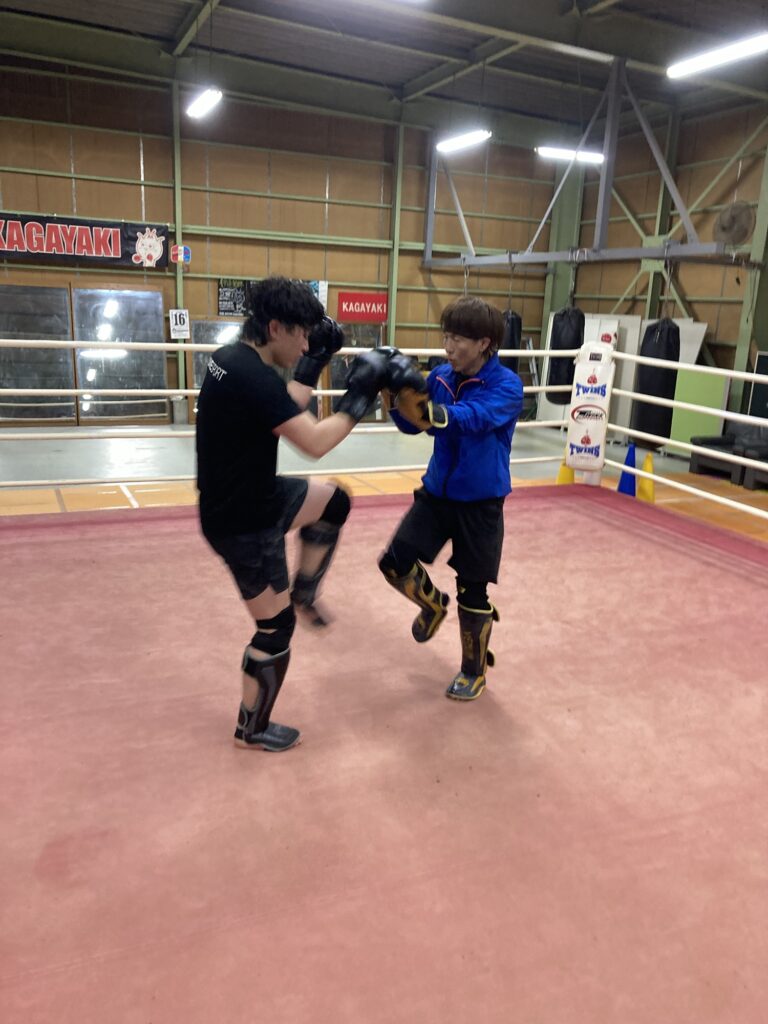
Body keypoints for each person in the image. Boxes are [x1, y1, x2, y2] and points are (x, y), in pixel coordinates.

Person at [196, 276, 390, 752]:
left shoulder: (234, 358)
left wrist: (315, 360)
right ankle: (251, 729)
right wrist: (361, 395)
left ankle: (304, 591)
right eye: (301, 335)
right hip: (243, 524)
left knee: (334, 502)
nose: (305, 343)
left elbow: (286, 406)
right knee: (274, 628)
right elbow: (315, 443)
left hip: (258, 496)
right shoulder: (252, 376)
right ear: (275, 328)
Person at [379, 296, 524, 701]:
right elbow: (415, 426)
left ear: (484, 343)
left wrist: (431, 414)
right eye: (446, 336)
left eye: (458, 339)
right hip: (437, 494)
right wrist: (394, 398)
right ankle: (432, 605)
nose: (448, 346)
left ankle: (473, 672)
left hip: (481, 502)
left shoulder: (507, 386)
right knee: (394, 562)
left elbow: (474, 418)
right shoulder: (441, 376)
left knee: (472, 592)